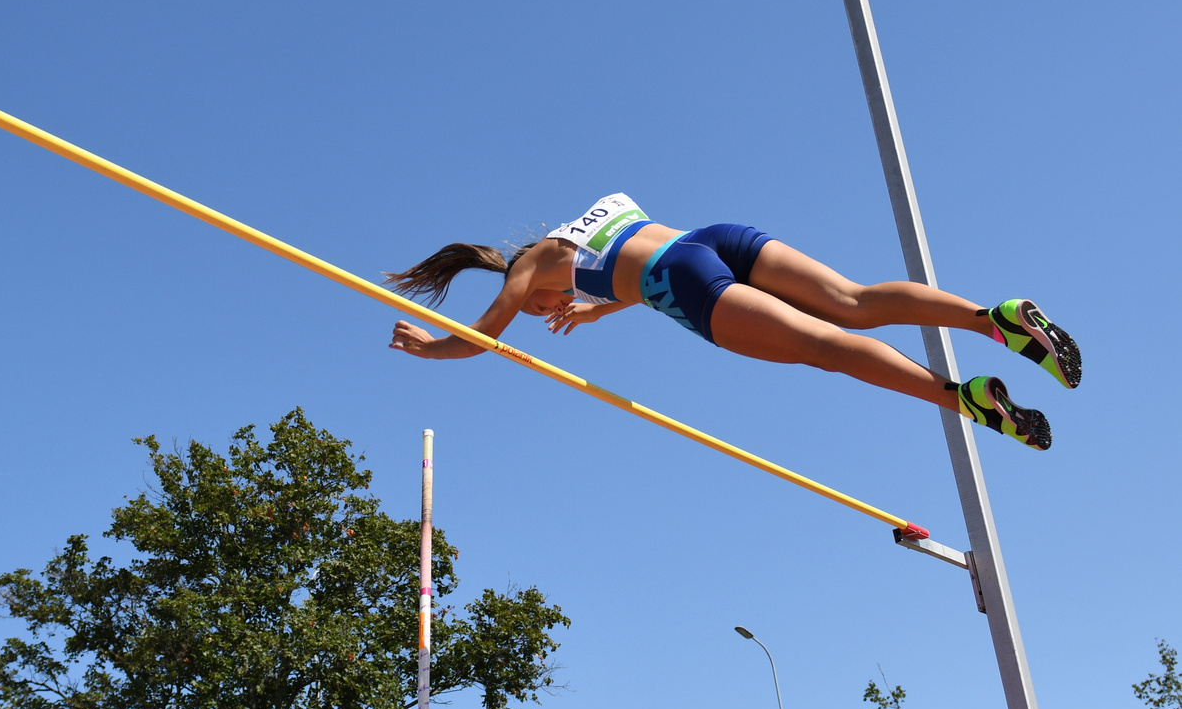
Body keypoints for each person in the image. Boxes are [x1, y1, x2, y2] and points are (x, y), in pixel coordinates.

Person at [385, 194, 1079, 450]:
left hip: (681, 279)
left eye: (544, 307)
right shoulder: (589, 221)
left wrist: (429, 349)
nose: (547, 309)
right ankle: (996, 318)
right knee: (854, 301)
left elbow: (482, 337)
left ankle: (965, 400)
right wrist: (603, 305)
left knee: (825, 347)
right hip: (715, 237)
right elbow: (638, 258)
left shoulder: (524, 270)